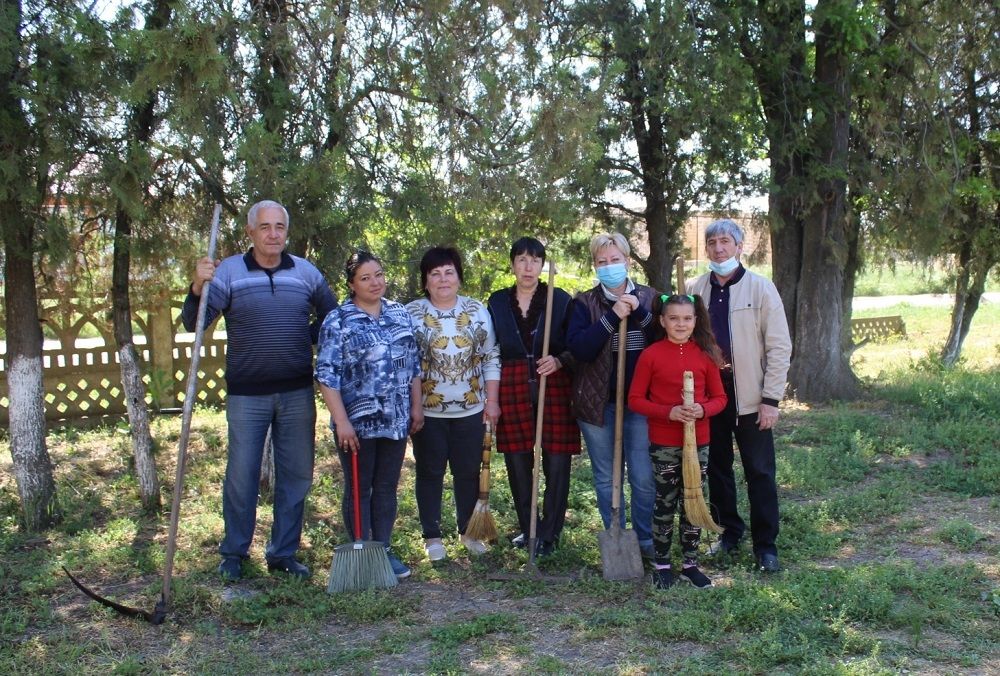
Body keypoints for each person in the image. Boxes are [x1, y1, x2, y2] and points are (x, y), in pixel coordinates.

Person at [183, 199, 338, 580]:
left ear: (287, 231)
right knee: (241, 474)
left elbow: (333, 320)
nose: (273, 234)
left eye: (280, 227)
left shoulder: (305, 273)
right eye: (265, 227)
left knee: (296, 473)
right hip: (246, 395)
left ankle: (283, 553)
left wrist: (302, 337)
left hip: (297, 392)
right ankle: (234, 553)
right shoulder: (230, 272)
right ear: (250, 232)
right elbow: (194, 323)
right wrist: (196, 285)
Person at [686, 218, 792, 573]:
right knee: (717, 468)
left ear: (739, 246)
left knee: (759, 471)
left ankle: (766, 547)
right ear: (706, 249)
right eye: (712, 242)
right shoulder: (694, 288)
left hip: (750, 393)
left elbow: (778, 346)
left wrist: (771, 399)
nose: (718, 248)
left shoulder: (761, 289)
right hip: (710, 395)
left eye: (725, 242)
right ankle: (728, 533)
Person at [315, 251, 422, 580]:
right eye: (365, 277)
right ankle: (361, 551)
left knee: (387, 486)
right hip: (356, 424)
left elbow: (414, 365)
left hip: (396, 419)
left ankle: (384, 549)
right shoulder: (338, 321)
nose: (374, 282)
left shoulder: (400, 314)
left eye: (378, 274)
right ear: (351, 284)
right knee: (360, 487)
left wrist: (416, 407)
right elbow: (326, 375)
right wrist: (342, 422)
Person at [567, 233, 659, 559]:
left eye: (615, 260)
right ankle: (616, 538)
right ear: (595, 266)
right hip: (598, 404)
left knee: (643, 477)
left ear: (628, 261)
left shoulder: (650, 298)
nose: (609, 267)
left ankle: (645, 542)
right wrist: (611, 317)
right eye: (602, 262)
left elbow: (665, 338)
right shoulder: (584, 304)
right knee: (607, 478)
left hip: (641, 405)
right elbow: (579, 349)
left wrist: (637, 313)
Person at [486, 237, 580, 558]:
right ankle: (529, 530)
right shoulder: (497, 302)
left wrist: (559, 360)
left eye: (535, 260)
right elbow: (491, 349)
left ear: (542, 265)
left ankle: (550, 534)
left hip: (552, 382)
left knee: (556, 460)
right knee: (517, 460)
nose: (528, 267)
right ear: (512, 264)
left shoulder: (562, 300)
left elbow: (576, 345)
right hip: (512, 381)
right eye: (522, 260)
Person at [406, 246, 501, 560]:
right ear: (426, 280)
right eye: (435, 274)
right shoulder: (412, 313)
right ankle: (432, 537)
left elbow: (490, 357)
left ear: (459, 277)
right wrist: (416, 407)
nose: (443, 279)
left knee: (467, 473)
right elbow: (409, 365)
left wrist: (492, 402)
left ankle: (468, 531)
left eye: (449, 272)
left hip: (471, 408)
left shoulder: (476, 311)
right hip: (429, 412)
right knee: (430, 473)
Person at [628, 294, 727, 589]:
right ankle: (661, 564)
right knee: (665, 502)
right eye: (674, 318)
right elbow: (635, 400)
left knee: (693, 500)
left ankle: (690, 564)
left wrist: (703, 409)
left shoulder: (706, 355)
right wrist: (668, 412)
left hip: (699, 443)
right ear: (662, 321)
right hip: (665, 443)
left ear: (695, 321)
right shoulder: (651, 355)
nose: (680, 324)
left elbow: (720, 398)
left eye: (687, 318)